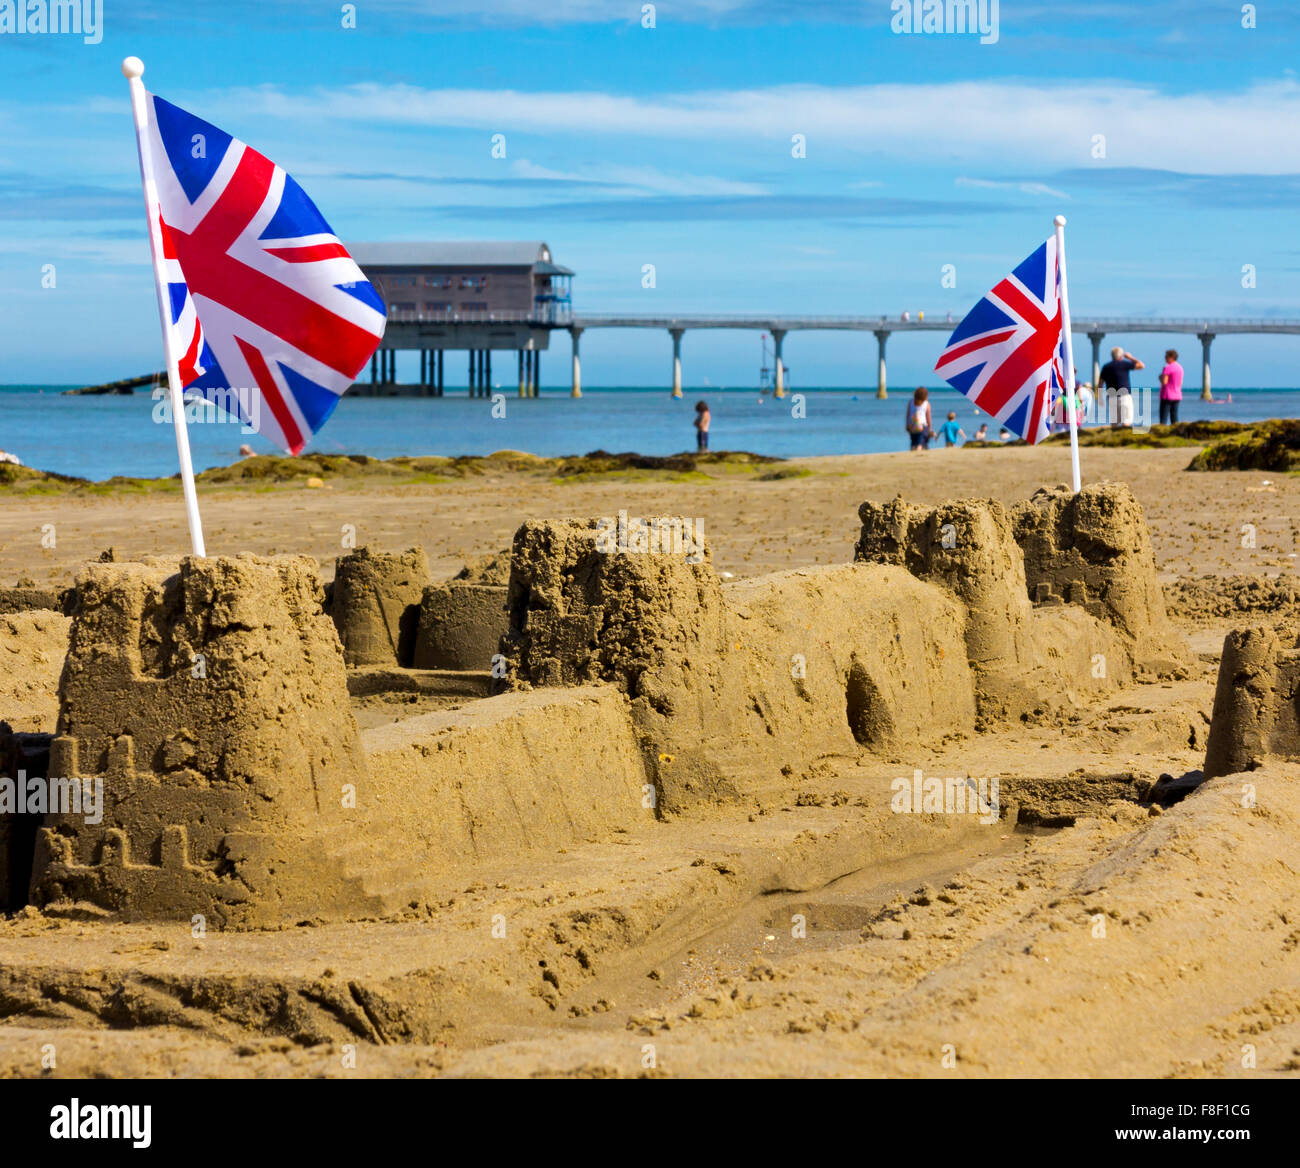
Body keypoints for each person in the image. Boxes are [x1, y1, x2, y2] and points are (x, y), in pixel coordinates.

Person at [1099, 346, 1144, 428]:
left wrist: (1100, 397)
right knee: (1126, 421)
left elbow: (1100, 383)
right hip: (1124, 396)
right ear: (1121, 356)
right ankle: (1124, 438)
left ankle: (1113, 438)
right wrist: (1130, 357)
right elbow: (1141, 365)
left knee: (1114, 422)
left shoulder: (1106, 367)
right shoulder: (1124, 364)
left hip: (1111, 397)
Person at [1158, 349, 1184, 425]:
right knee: (1174, 416)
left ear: (1170, 357)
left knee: (1163, 417)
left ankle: (1162, 433)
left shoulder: (1167, 367)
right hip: (1177, 395)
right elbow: (1180, 382)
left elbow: (1164, 382)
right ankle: (1176, 432)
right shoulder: (1180, 368)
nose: (1165, 358)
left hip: (1167, 395)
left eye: (1166, 356)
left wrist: (1160, 377)